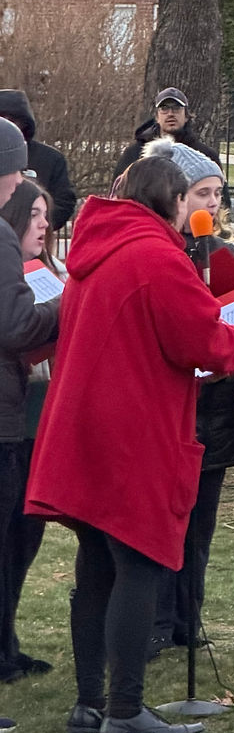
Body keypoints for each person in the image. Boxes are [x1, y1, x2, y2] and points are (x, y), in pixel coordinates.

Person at [25, 155, 234, 733]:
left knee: (95, 566)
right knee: (139, 564)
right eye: (191, 199)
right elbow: (199, 340)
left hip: (86, 427)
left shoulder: (94, 252)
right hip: (133, 431)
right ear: (174, 200)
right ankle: (125, 706)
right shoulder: (157, 255)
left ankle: (89, 703)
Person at [139, 138, 234, 659]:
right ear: (175, 195)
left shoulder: (223, 253)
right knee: (163, 523)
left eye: (217, 194)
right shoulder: (161, 254)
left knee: (201, 527)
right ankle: (155, 621)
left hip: (216, 409)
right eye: (202, 193)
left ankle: (188, 617)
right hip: (171, 410)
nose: (211, 203)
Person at [0, 121, 60, 688]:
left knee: (20, 541)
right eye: (34, 214)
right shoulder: (1, 243)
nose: (44, 224)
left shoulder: (44, 268)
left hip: (33, 420)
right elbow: (16, 326)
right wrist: (65, 310)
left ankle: (7, 644)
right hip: (10, 418)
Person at [0, 89, 76, 230]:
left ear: (24, 122)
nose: (6, 126)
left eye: (11, 120)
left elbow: (64, 201)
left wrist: (36, 223)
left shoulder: (50, 159)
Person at [112, 88, 220, 185]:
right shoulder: (134, 154)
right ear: (157, 117)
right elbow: (118, 193)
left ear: (186, 116)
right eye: (164, 108)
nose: (170, 114)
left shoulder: (204, 156)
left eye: (176, 108)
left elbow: (220, 196)